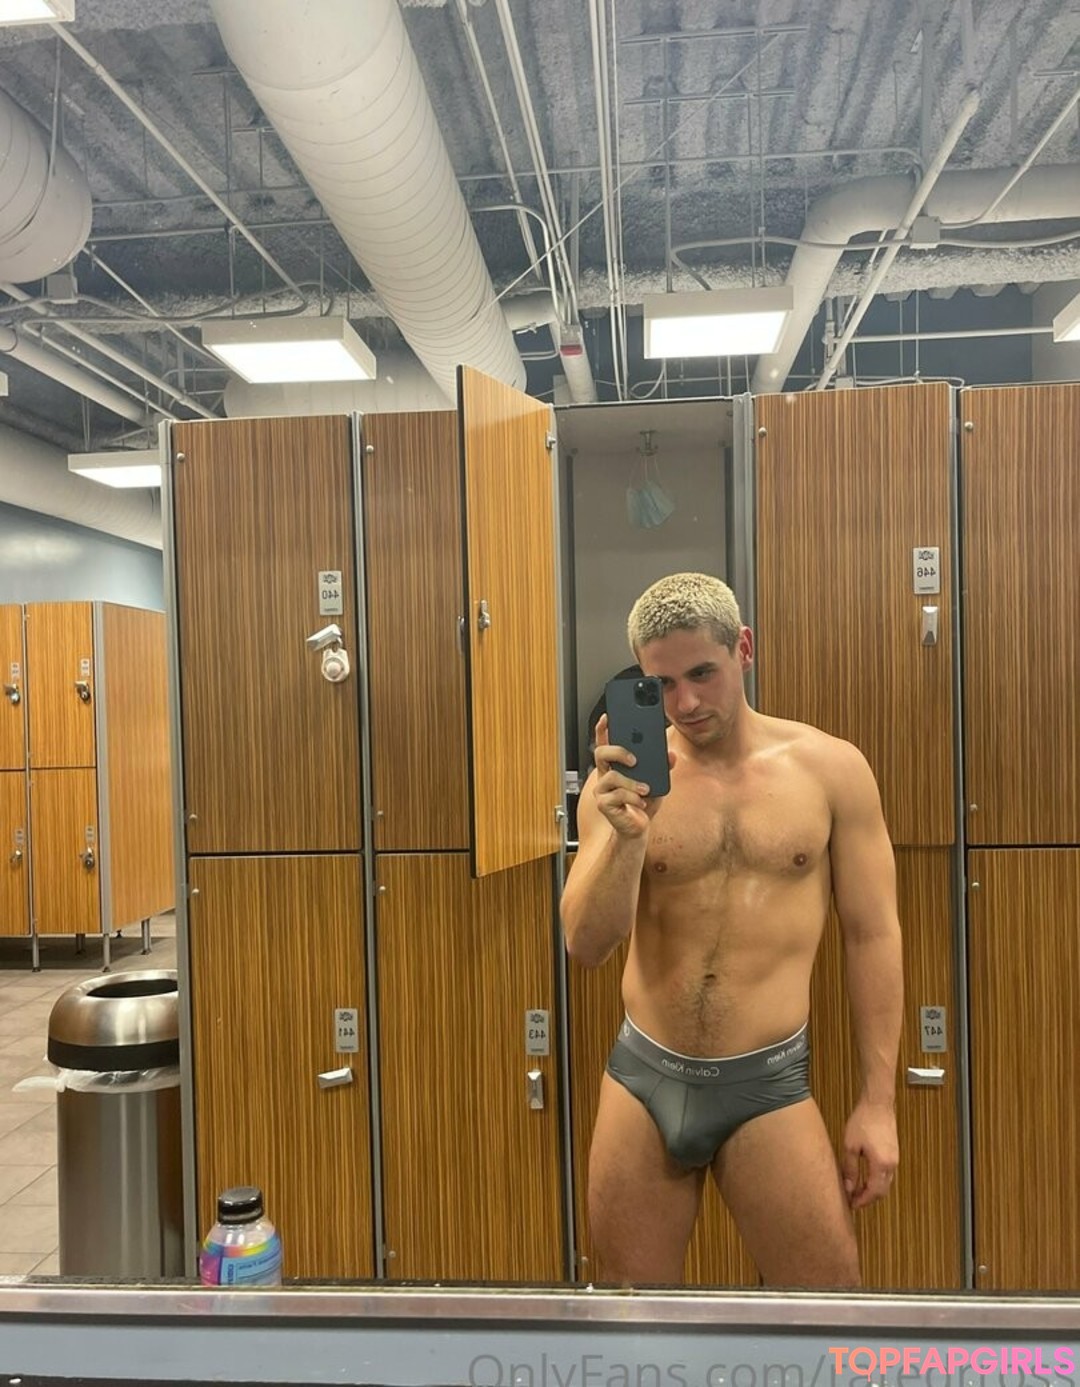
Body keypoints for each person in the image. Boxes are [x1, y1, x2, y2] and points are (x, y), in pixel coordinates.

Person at [560, 573, 901, 1289]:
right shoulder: (620, 787)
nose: (685, 703)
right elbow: (585, 945)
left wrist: (878, 1103)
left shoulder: (830, 770)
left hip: (767, 1084)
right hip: (644, 1078)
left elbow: (872, 935)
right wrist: (627, 836)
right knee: (631, 1319)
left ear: (742, 648)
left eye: (701, 673)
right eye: (661, 684)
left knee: (825, 1310)